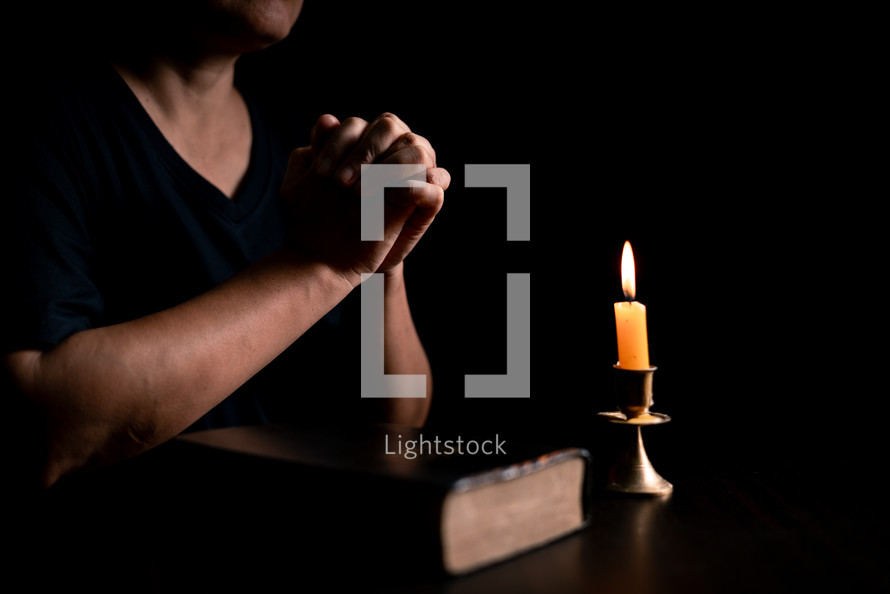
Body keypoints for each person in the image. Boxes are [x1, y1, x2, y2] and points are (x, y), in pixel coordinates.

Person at [1, 0, 450, 490]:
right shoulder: (41, 120)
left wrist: (381, 261)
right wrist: (320, 267)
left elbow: (397, 422)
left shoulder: (311, 148)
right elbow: (45, 427)